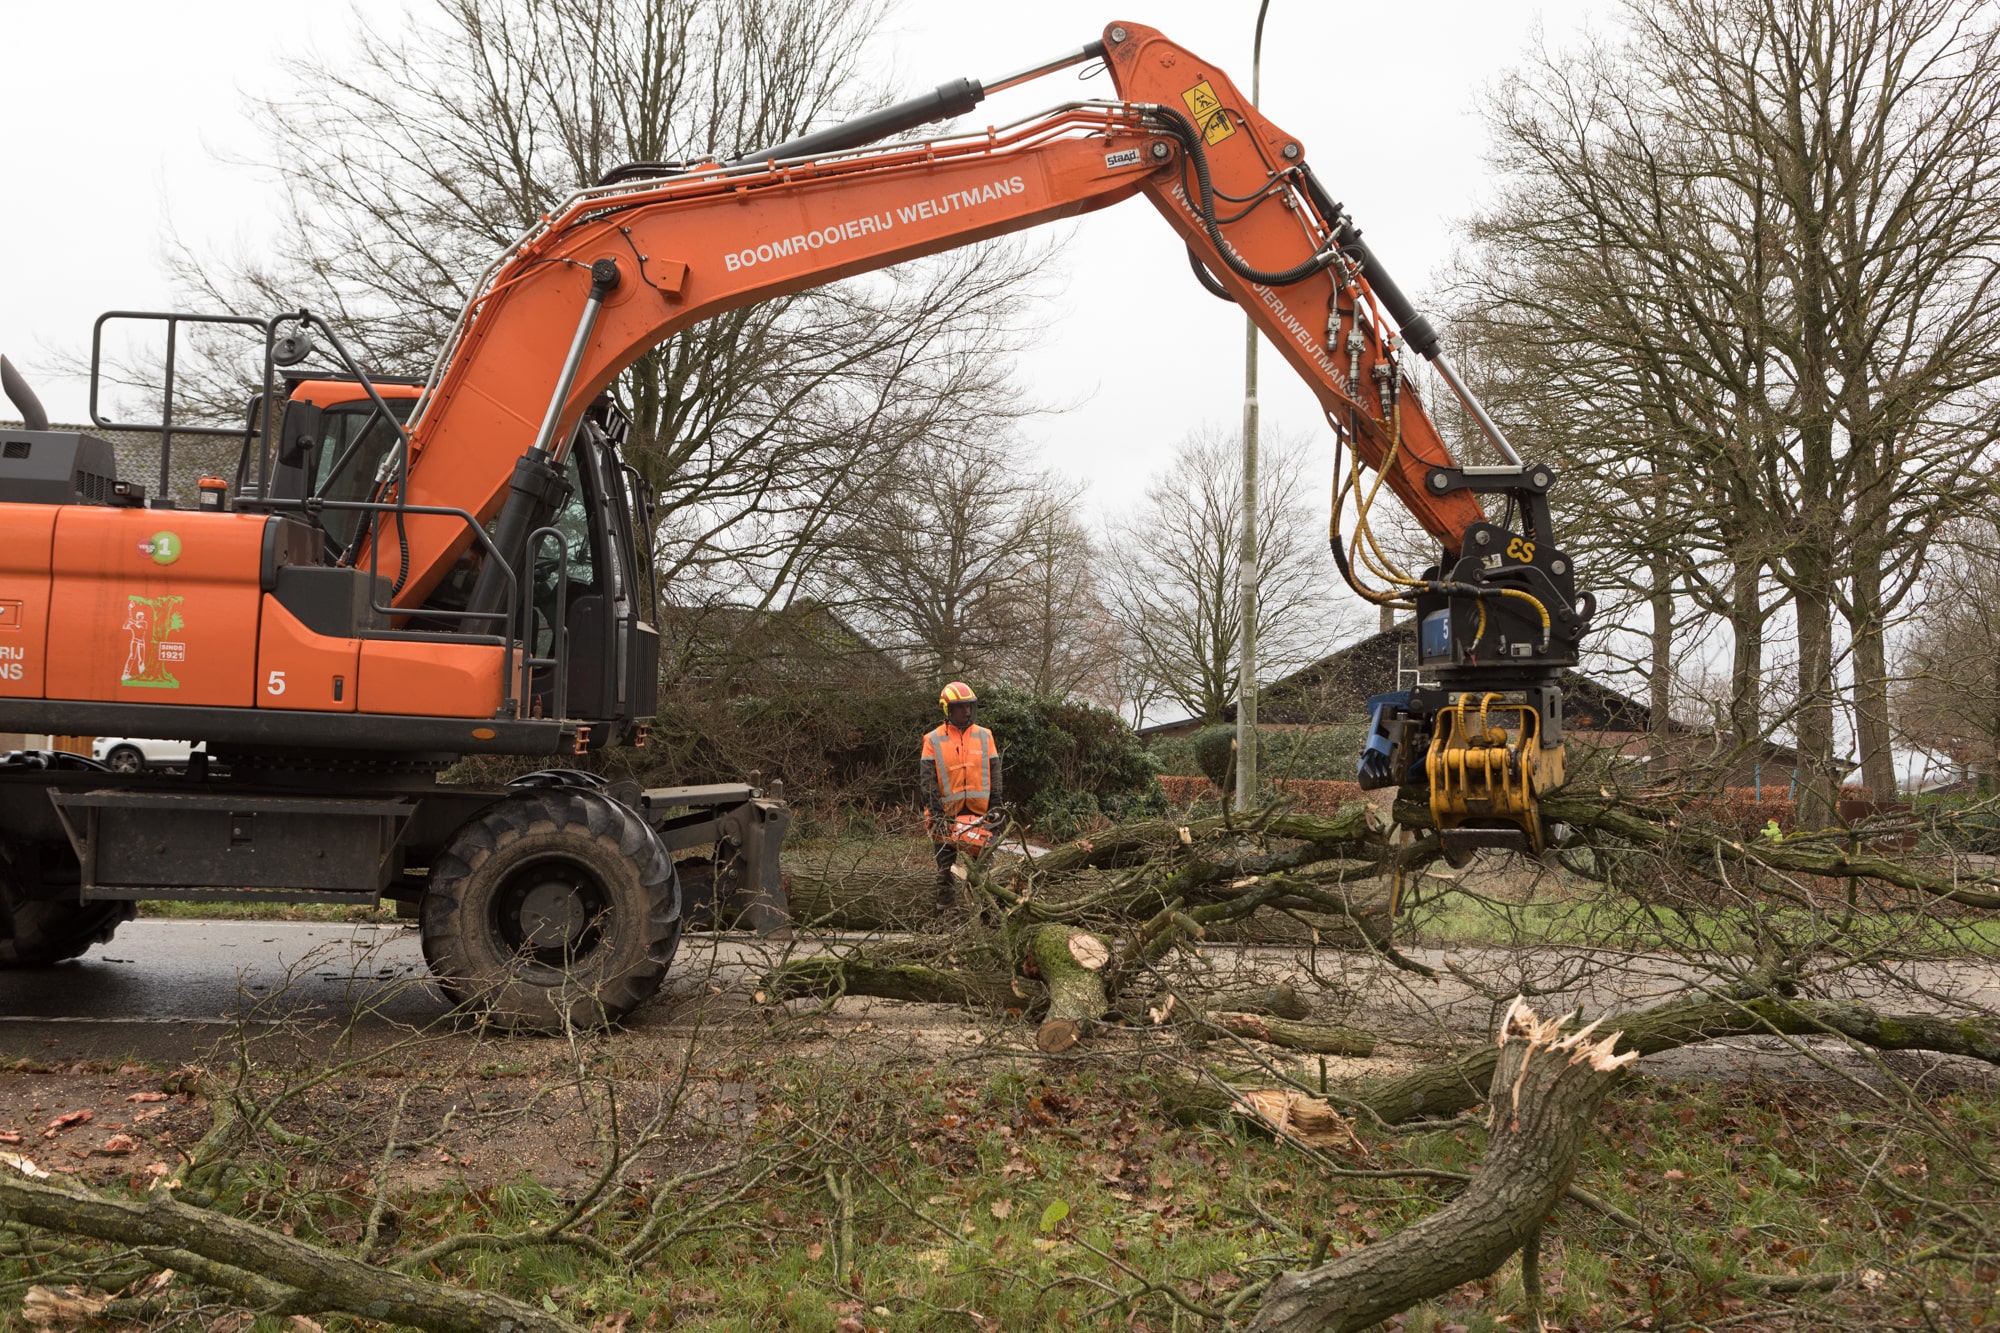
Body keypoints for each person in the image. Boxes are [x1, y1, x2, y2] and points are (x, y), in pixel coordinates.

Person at [922, 681, 1002, 911]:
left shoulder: (985, 736)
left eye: (969, 706)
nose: (966, 711)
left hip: (979, 814)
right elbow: (927, 781)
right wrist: (937, 813)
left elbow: (994, 776)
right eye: (960, 707)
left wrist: (996, 808)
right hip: (946, 815)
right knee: (945, 870)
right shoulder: (933, 740)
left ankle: (986, 915)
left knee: (985, 873)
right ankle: (946, 915)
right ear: (948, 709)